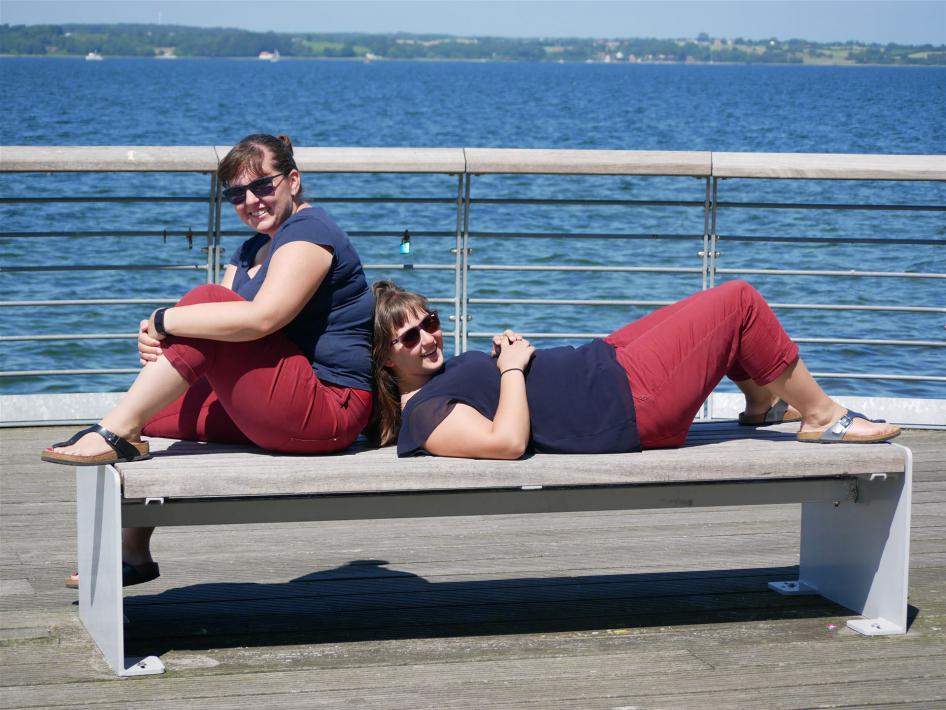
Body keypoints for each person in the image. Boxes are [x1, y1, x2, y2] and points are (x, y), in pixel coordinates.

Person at [43, 133, 374, 587]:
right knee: (150, 415)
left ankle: (115, 431)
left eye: (263, 186)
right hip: (282, 397)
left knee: (205, 300)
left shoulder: (310, 232)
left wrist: (165, 320)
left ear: (293, 181)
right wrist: (157, 335)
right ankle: (132, 551)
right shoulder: (250, 250)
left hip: (328, 407)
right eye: (237, 194)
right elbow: (212, 332)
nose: (250, 201)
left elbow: (260, 319)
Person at [369, 279, 900, 459]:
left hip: (607, 365)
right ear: (387, 359)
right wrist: (510, 368)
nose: (429, 338)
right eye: (410, 336)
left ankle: (761, 404)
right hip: (626, 403)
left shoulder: (436, 383)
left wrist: (504, 360)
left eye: (430, 322)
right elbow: (506, 442)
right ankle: (821, 416)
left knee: (713, 311)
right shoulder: (425, 414)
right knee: (738, 302)